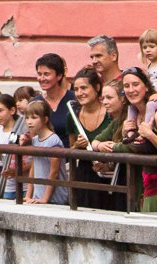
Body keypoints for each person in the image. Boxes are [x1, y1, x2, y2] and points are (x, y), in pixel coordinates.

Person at [106, 67, 157, 212]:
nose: (131, 90)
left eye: (135, 84)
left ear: (146, 86)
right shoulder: (132, 116)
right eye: (126, 86)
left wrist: (150, 134)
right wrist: (126, 135)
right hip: (149, 187)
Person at [67, 68, 116, 207]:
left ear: (97, 87)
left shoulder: (110, 113)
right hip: (83, 174)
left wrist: (107, 164)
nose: (79, 93)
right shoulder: (72, 115)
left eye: (83, 88)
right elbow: (70, 149)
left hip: (107, 174)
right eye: (76, 89)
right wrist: (77, 145)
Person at [16, 99, 69, 205]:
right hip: (38, 195)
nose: (29, 121)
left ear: (45, 119)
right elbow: (33, 168)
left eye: (34, 118)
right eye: (27, 118)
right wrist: (28, 195)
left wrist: (45, 198)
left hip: (55, 198)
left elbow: (54, 172)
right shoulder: (35, 140)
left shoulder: (53, 141)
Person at [35, 53, 78, 144]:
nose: (42, 78)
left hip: (70, 155)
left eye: (46, 74)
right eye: (39, 74)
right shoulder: (35, 102)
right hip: (43, 155)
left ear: (59, 76)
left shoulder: (75, 99)